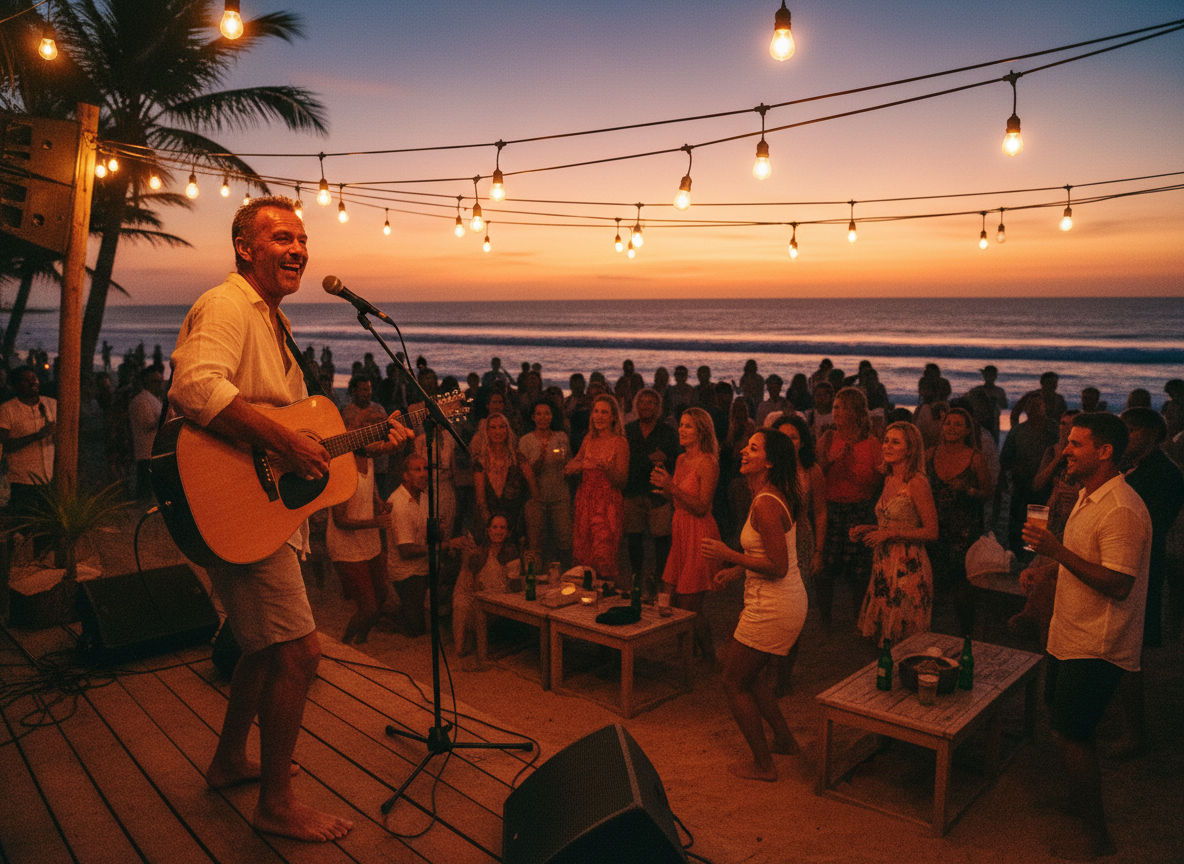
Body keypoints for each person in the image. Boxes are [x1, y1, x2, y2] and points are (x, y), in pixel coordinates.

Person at [169, 197, 412, 841]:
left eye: (303, 239)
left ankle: (228, 762)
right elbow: (196, 386)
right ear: (245, 247)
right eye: (281, 237)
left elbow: (302, 422)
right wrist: (280, 443)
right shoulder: (227, 306)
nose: (299, 249)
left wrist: (363, 438)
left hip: (268, 511)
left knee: (259, 646)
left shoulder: (275, 322)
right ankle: (276, 806)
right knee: (300, 652)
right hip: (239, 503)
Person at [1020, 412, 1151, 860]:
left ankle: (1099, 835)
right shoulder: (1086, 496)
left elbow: (1118, 582)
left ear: (1105, 451)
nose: (1064, 452)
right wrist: (1045, 569)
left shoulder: (1121, 509)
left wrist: (1054, 550)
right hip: (1067, 631)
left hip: (1097, 642)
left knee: (1072, 733)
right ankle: (1076, 801)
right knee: (1064, 724)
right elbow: (1079, 555)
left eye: (1075, 445)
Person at [701, 429, 807, 782]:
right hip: (775, 601)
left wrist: (729, 554)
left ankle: (764, 765)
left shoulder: (764, 503)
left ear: (770, 462)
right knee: (748, 674)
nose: (744, 451)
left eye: (754, 448)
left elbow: (778, 567)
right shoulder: (765, 495)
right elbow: (769, 554)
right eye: (746, 445)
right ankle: (786, 742)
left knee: (732, 680)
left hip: (775, 605)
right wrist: (735, 570)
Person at [1113, 408, 1184, 754]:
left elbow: (1147, 526)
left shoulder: (1164, 474)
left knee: (1129, 653)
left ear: (1154, 435)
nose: (1126, 435)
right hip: (1132, 565)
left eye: (1133, 429)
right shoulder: (1137, 467)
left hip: (1141, 569)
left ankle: (1134, 734)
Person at [853, 422, 938, 643]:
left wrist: (890, 535)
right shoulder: (889, 478)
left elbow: (932, 531)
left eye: (895, 442)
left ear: (910, 449)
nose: (887, 446)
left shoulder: (917, 482)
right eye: (886, 440)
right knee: (883, 636)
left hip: (908, 566)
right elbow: (893, 521)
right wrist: (869, 529)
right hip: (883, 564)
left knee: (903, 639)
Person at [651, 407, 721, 663]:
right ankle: (690, 652)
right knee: (670, 597)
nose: (681, 429)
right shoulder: (680, 460)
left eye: (688, 426)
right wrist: (666, 488)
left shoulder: (708, 462)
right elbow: (678, 499)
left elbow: (702, 507)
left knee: (690, 606)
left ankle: (708, 658)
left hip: (698, 533)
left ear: (701, 431)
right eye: (681, 424)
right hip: (680, 530)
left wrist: (671, 488)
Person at [769, 412, 827, 695]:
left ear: (802, 441)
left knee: (793, 610)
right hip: (772, 538)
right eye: (783, 437)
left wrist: (818, 551)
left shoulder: (811, 470)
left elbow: (821, 512)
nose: (789, 442)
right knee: (769, 604)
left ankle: (783, 677)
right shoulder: (768, 468)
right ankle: (766, 668)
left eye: (794, 437)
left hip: (801, 541)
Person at [816, 387, 882, 631]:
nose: (836, 412)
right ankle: (825, 618)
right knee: (825, 566)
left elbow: (875, 484)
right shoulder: (828, 438)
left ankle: (859, 616)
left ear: (855, 412)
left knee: (860, 571)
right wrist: (831, 461)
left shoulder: (872, 443)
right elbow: (816, 475)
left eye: (841, 407)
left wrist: (852, 469)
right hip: (831, 508)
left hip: (859, 509)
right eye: (834, 407)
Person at [926, 407, 992, 636]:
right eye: (948, 423)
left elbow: (988, 492)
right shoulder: (930, 454)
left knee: (963, 586)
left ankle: (966, 634)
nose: (951, 428)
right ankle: (927, 630)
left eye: (957, 424)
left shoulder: (975, 457)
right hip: (934, 527)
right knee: (931, 581)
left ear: (967, 430)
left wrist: (969, 489)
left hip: (964, 529)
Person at [328, 427, 389, 646]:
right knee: (368, 607)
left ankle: (361, 641)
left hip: (369, 542)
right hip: (346, 547)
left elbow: (372, 498)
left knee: (382, 596)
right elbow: (340, 520)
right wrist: (375, 522)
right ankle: (344, 644)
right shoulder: (342, 468)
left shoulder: (369, 462)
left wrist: (380, 506)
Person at [566, 394, 629, 587]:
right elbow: (571, 465)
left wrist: (606, 468)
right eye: (596, 411)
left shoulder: (620, 443)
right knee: (584, 555)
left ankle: (607, 597)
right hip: (585, 501)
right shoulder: (588, 439)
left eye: (604, 412)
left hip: (607, 503)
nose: (599, 416)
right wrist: (573, 466)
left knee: (603, 556)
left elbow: (621, 482)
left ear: (613, 417)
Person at [623, 389, 679, 587]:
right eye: (642, 402)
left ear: (658, 407)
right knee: (634, 537)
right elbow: (623, 459)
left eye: (650, 403)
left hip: (658, 493)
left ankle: (660, 578)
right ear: (637, 406)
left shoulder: (668, 432)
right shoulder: (628, 430)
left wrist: (666, 459)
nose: (646, 406)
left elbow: (677, 459)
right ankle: (636, 576)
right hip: (633, 490)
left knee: (661, 539)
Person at [0, 367, 57, 546]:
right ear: (15, 385)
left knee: (47, 530)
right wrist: (37, 436)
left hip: (49, 478)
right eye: (26, 380)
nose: (33, 382)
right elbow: (5, 445)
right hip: (22, 481)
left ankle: (42, 563)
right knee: (22, 530)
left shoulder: (51, 404)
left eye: (34, 377)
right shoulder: (7, 410)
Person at [451, 513, 515, 669]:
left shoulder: (511, 552)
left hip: (497, 597)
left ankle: (478, 648)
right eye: (494, 527)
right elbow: (469, 577)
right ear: (488, 530)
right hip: (476, 594)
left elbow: (512, 583)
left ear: (508, 532)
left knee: (479, 609)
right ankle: (461, 648)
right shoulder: (481, 551)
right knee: (461, 605)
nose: (498, 531)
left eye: (502, 527)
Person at [1001, 392, 1057, 555]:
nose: (1033, 408)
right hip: (1021, 485)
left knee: (1042, 527)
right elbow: (1005, 460)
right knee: (1018, 526)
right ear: (1025, 408)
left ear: (1044, 407)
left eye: (1037, 405)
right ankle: (1017, 557)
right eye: (1030, 405)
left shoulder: (1053, 429)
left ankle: (1037, 557)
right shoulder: (1018, 432)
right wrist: (1007, 478)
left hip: (1047, 486)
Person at [520, 399, 573, 567]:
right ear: (533, 417)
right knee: (535, 542)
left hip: (560, 494)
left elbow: (569, 464)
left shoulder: (561, 437)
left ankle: (565, 575)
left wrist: (567, 467)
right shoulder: (526, 441)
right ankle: (536, 578)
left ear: (552, 416)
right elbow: (526, 474)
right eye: (539, 414)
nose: (543, 417)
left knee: (565, 538)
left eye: (547, 413)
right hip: (536, 498)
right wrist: (541, 458)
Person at [473, 412, 532, 547]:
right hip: (490, 524)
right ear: (487, 431)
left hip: (516, 523)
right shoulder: (480, 461)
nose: (498, 431)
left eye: (501, 427)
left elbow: (534, 493)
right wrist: (493, 528)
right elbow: (480, 500)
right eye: (493, 428)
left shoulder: (519, 459)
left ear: (507, 429)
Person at [127, 365, 164, 500]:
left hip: (153, 450)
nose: (161, 385)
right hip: (146, 450)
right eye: (157, 381)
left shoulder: (153, 399)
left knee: (149, 486)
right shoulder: (142, 400)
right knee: (145, 488)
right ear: (149, 382)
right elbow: (147, 424)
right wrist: (165, 418)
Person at [968, 365, 1008, 442]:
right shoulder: (976, 390)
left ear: (995, 376)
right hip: (979, 421)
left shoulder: (999, 391)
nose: (990, 377)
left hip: (994, 422)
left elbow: (1005, 405)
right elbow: (968, 403)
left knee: (993, 442)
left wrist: (996, 401)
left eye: (992, 375)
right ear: (984, 375)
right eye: (988, 375)